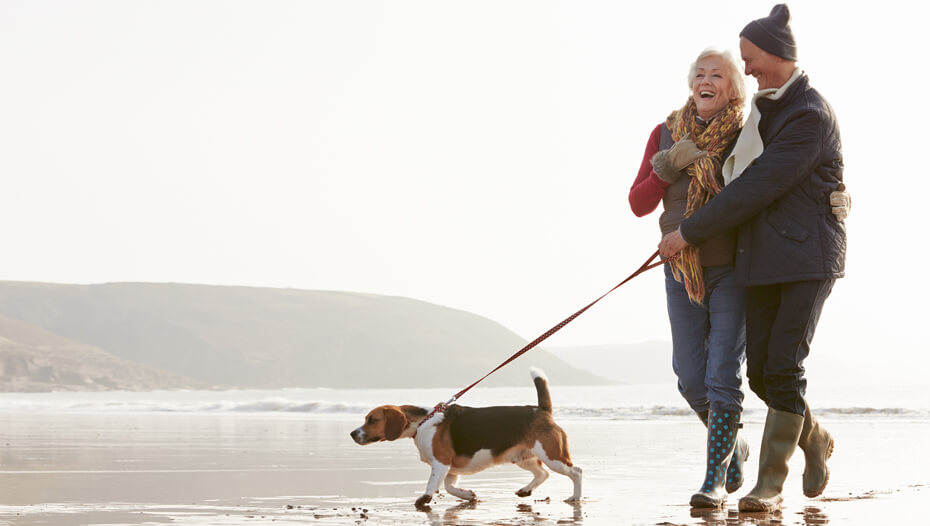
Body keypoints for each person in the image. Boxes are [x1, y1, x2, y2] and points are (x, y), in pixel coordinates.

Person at [658, 4, 846, 512]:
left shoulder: (808, 113)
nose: (747, 69)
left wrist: (687, 232)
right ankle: (817, 438)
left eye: (749, 60)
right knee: (760, 375)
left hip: (807, 257)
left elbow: (758, 187)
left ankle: (768, 485)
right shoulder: (764, 109)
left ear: (777, 55)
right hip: (760, 259)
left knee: (781, 367)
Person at [628, 48, 750, 508]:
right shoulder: (664, 134)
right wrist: (665, 168)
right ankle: (733, 446)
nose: (707, 79)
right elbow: (639, 204)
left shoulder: (746, 133)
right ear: (690, 83)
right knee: (689, 377)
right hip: (679, 270)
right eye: (700, 73)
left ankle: (713, 481)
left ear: (733, 88)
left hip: (733, 270)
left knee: (722, 374)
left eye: (717, 74)